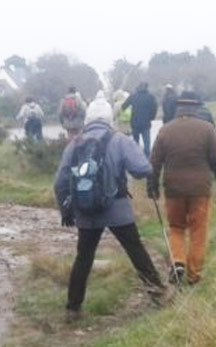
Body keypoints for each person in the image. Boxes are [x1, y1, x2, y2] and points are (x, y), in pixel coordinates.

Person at [54, 95, 170, 321]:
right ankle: (159, 294)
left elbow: (60, 182)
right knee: (136, 250)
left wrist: (66, 210)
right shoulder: (120, 140)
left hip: (86, 211)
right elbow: (142, 169)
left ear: (87, 118)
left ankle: (73, 308)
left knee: (83, 258)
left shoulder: (75, 143)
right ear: (110, 118)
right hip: (117, 210)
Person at [149, 91, 216, 286]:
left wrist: (152, 186)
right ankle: (194, 275)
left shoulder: (165, 130)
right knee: (198, 231)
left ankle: (178, 261)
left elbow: (155, 161)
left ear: (178, 108)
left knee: (176, 227)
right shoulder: (207, 128)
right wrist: (210, 165)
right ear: (196, 108)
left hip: (173, 188)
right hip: (200, 188)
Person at [121, 82, 159, 157]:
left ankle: (136, 158)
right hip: (146, 123)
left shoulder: (133, 96)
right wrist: (151, 117)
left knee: (135, 143)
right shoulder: (150, 97)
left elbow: (123, 106)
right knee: (147, 143)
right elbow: (155, 108)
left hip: (135, 122)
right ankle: (147, 159)